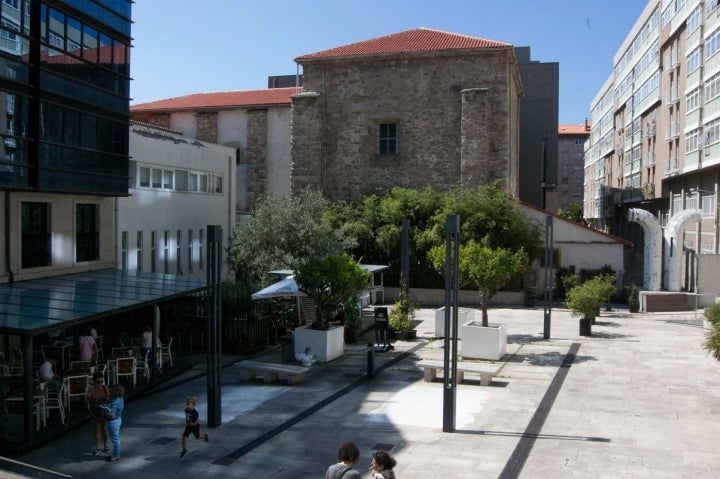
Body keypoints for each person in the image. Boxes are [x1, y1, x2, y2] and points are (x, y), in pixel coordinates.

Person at [86, 372, 109, 455]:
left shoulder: (105, 388)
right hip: (95, 411)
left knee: (104, 429)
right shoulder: (91, 390)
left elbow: (108, 398)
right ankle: (98, 447)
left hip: (103, 411)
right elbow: (87, 404)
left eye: (101, 381)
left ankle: (106, 446)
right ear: (94, 381)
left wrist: (106, 398)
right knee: (96, 430)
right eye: (98, 382)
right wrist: (88, 398)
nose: (100, 383)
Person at [105, 384, 124, 462]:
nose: (109, 391)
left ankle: (116, 455)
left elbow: (111, 415)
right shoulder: (120, 398)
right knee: (116, 438)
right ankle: (116, 454)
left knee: (115, 439)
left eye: (111, 390)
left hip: (113, 422)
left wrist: (105, 412)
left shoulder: (115, 402)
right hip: (118, 419)